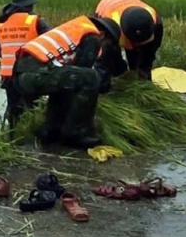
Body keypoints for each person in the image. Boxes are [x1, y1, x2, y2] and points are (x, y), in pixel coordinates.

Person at [11, 15, 122, 149]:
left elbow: (71, 78)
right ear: (103, 35)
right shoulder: (92, 36)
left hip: (23, 75)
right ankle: (76, 133)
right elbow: (84, 70)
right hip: (34, 74)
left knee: (68, 81)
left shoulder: (77, 28)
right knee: (90, 77)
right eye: (107, 44)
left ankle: (51, 130)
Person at [0, 0, 51, 131]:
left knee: (14, 109)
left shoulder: (2, 24)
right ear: (30, 6)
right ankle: (31, 137)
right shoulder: (36, 21)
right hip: (31, 74)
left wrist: (7, 52)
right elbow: (51, 44)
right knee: (32, 108)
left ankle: (12, 137)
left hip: (9, 75)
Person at [95, 0, 162, 81]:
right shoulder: (108, 27)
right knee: (113, 62)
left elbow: (149, 54)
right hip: (107, 5)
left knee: (140, 65)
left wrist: (143, 74)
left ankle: (139, 80)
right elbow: (103, 62)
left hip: (130, 5)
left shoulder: (155, 22)